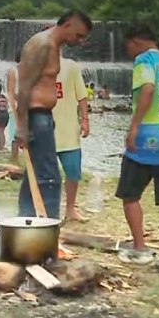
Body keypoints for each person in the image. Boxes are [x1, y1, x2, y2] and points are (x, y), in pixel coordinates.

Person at [115, 23, 159, 277]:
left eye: (128, 46)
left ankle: (140, 248)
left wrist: (134, 127)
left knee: (130, 193)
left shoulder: (144, 61)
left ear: (136, 41)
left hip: (148, 138)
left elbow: (147, 90)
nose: (129, 51)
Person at [15, 10, 92, 220]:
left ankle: (25, 221)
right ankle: (48, 229)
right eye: (79, 35)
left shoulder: (53, 47)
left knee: (36, 173)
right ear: (67, 25)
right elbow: (23, 86)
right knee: (50, 177)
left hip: (44, 117)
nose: (80, 41)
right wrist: (22, 126)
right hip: (37, 118)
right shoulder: (43, 45)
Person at [53, 57, 90, 222]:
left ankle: (70, 209)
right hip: (45, 129)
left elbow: (81, 96)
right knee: (46, 175)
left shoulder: (71, 67)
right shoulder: (37, 66)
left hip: (68, 129)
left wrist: (85, 120)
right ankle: (46, 210)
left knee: (73, 172)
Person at [6, 50, 22, 166]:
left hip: (27, 106)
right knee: (15, 136)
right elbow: (10, 92)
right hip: (15, 107)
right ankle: (14, 162)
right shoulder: (14, 71)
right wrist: (14, 107)